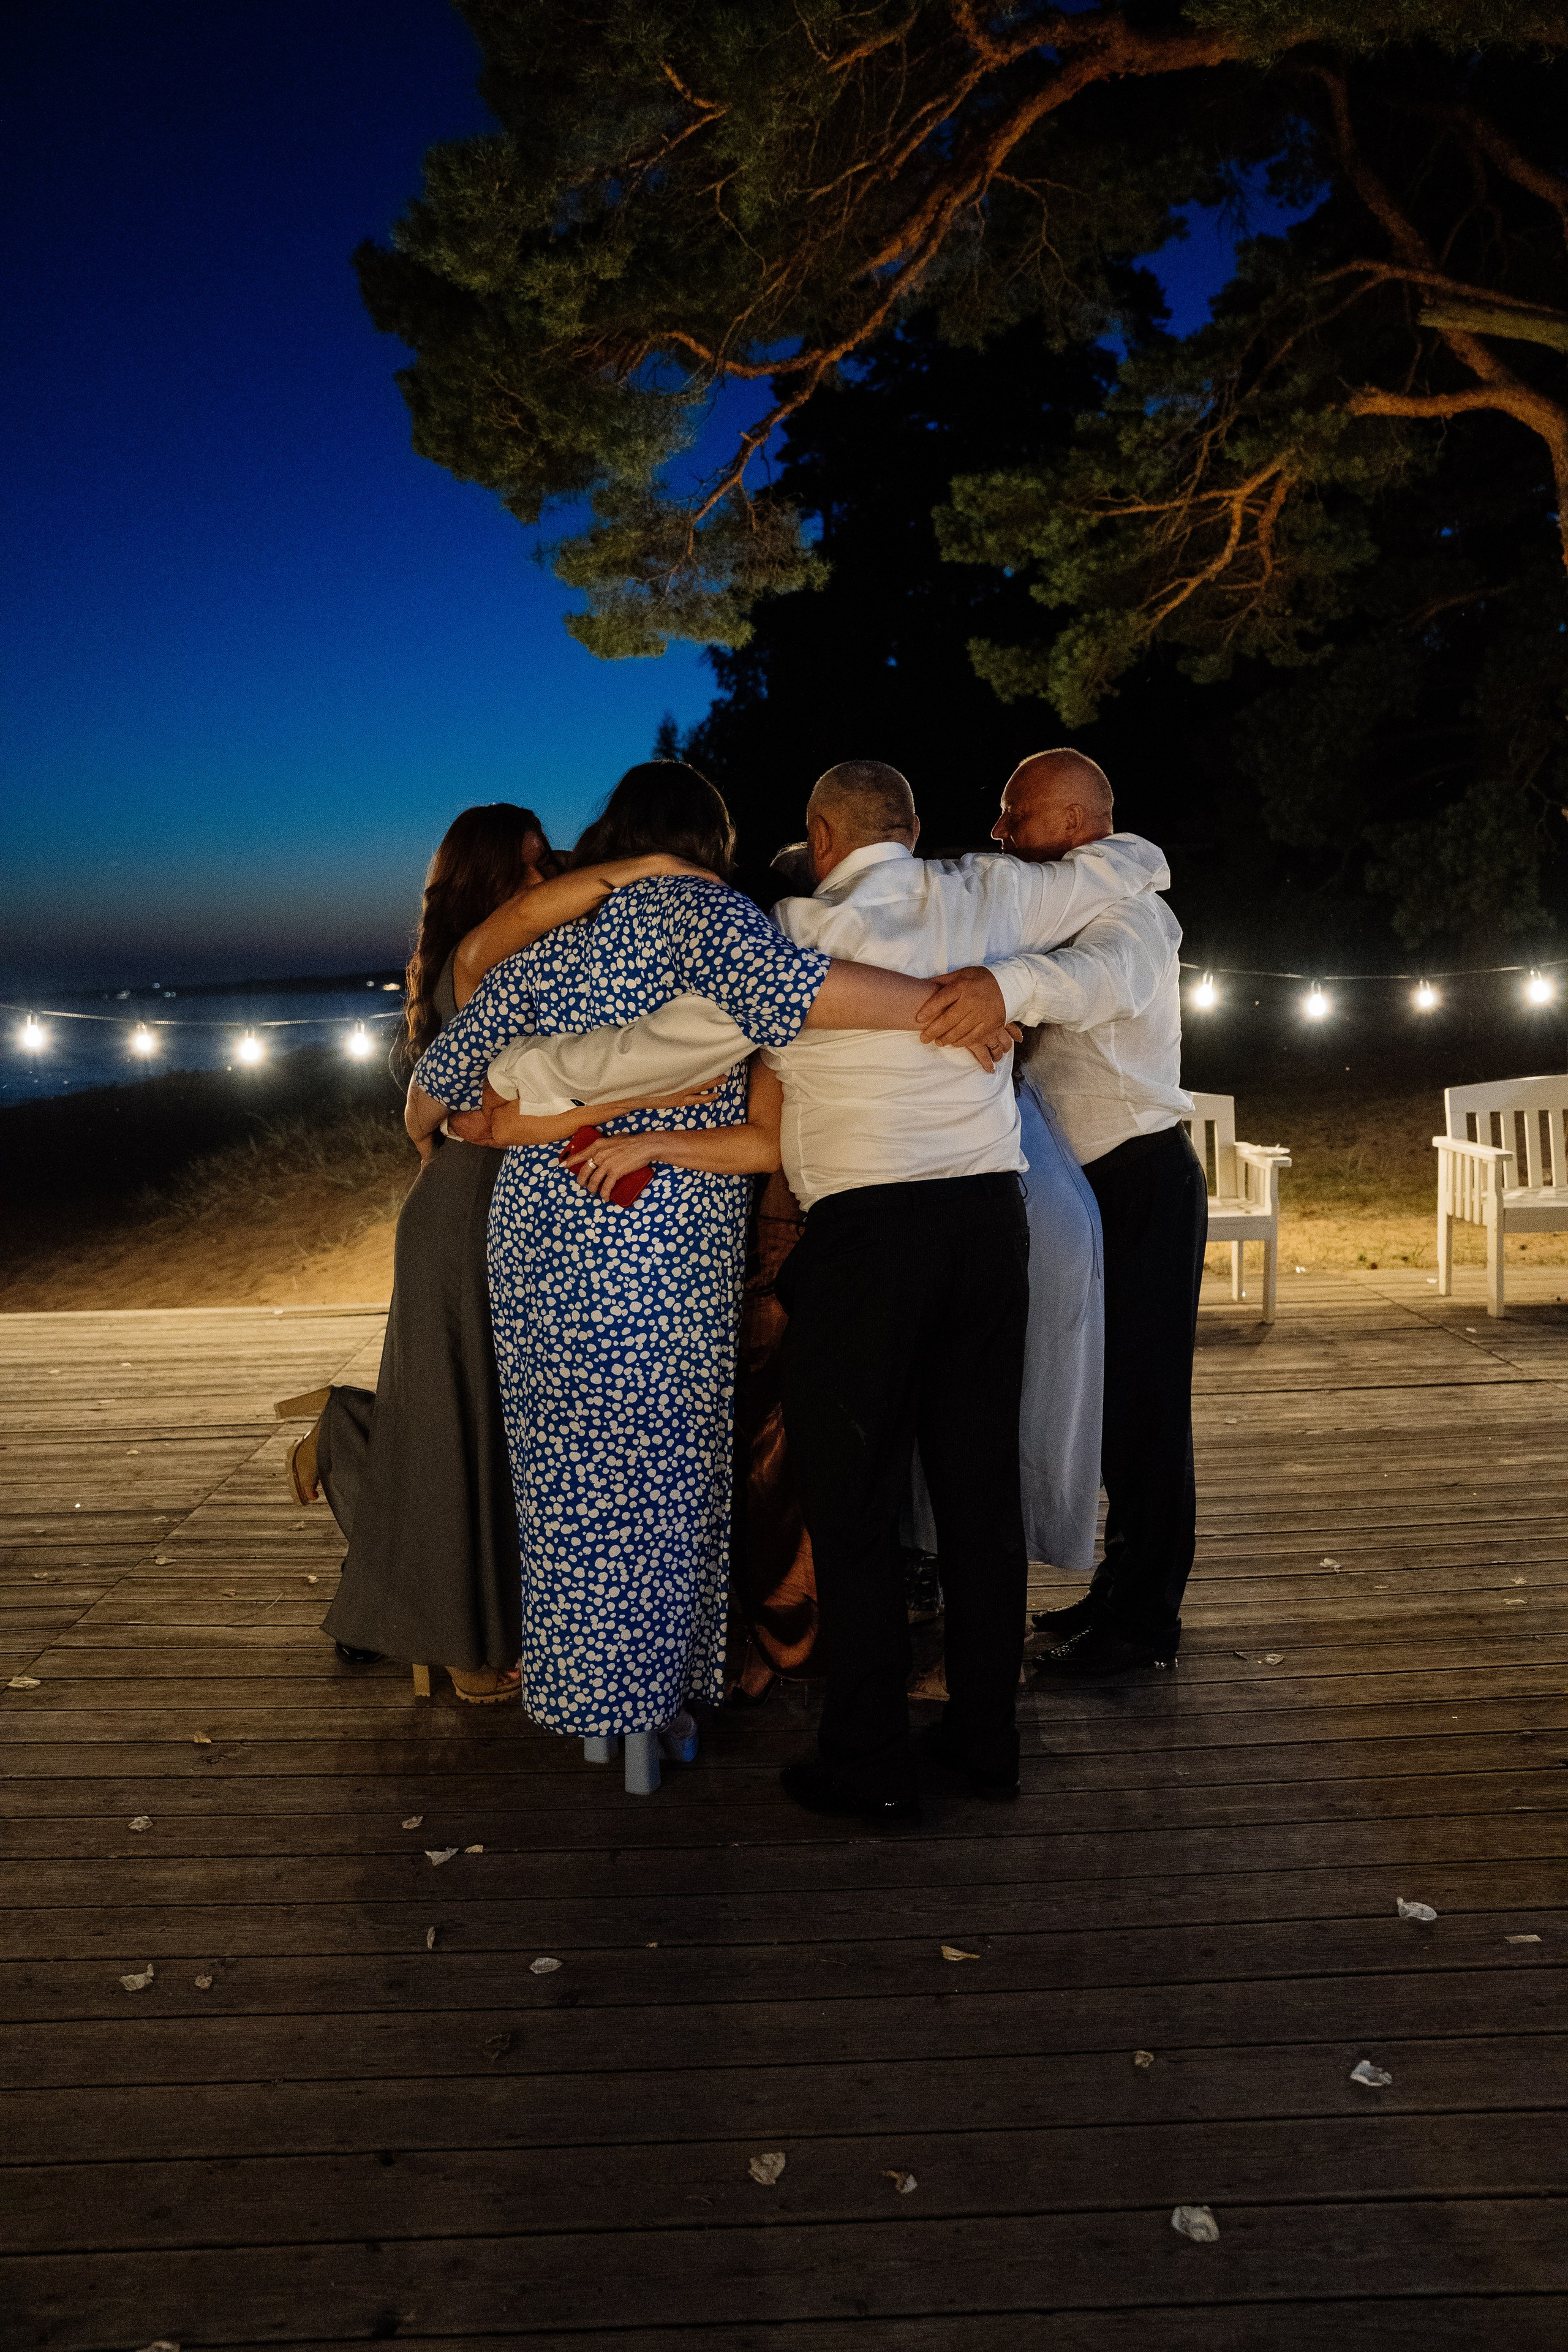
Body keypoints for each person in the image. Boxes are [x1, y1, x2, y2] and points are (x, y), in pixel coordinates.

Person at [474, 760, 1169, 1815]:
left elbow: (657, 1052)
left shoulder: (788, 936)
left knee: (853, 1509)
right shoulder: (989, 894)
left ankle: (869, 1760)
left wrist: (520, 1084)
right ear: (914, 827)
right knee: (980, 1499)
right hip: (989, 1230)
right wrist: (1009, 988)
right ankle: (986, 1746)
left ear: (822, 835)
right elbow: (1135, 870)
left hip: (868, 1239)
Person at [401, 761, 986, 1771]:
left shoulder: (546, 951)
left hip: (542, 1241)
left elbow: (435, 1091)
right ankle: (652, 1708)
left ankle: (596, 1712)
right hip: (662, 1246)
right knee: (662, 1480)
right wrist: (947, 1003)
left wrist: (500, 1124)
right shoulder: (717, 926)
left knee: (571, 1485)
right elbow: (800, 1015)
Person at [923, 747, 1206, 1675]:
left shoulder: (1132, 919)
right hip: (1095, 1187)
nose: (1001, 831)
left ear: (1080, 823)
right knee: (1108, 1394)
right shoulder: (1070, 900)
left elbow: (1095, 985)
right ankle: (1119, 1591)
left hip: (1142, 1181)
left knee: (1146, 1402)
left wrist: (1006, 990)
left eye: (1020, 815)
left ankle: (1145, 1623)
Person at [282, 803, 546, 1701]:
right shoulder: (483, 957)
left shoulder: (502, 951)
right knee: (463, 1421)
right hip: (468, 1204)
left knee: (485, 1417)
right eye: (531, 863)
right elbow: (430, 1103)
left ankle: (349, 1427)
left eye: (552, 862)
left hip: (504, 1198)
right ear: (486, 876)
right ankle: (464, 1638)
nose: (545, 880)